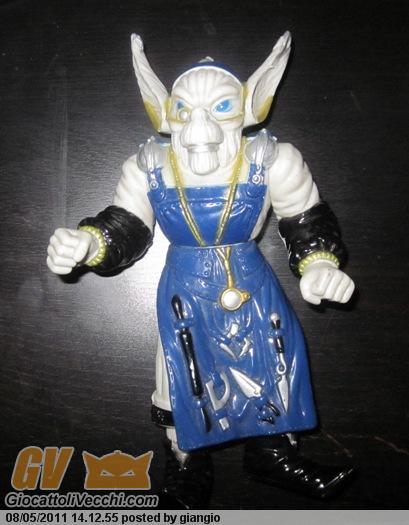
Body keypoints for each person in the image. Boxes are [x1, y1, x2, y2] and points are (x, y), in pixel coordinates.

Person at [47, 32, 355, 508]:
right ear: (166, 113)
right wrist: (90, 243)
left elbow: (304, 218)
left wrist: (318, 265)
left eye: (221, 108)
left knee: (273, 357)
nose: (201, 129)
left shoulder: (273, 160)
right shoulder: (148, 167)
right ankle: (186, 461)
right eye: (185, 110)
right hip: (185, 288)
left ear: (249, 107)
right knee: (181, 371)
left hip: (251, 282)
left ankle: (272, 452)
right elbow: (127, 224)